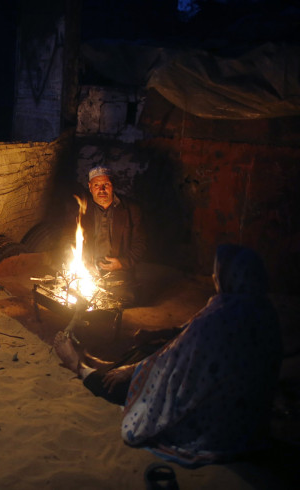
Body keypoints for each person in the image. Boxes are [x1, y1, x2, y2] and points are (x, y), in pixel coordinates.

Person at [54, 244, 283, 467]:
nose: (214, 277)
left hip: (212, 425)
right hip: (250, 425)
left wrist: (131, 370)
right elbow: (186, 334)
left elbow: (170, 358)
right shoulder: (265, 313)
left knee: (125, 381)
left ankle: (78, 365)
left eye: (217, 273)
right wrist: (161, 332)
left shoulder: (218, 320)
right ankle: (107, 365)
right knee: (148, 348)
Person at [81, 165, 146, 306]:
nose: (102, 190)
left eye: (106, 184)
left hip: (118, 271)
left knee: (123, 299)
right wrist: (85, 262)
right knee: (74, 295)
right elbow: (69, 241)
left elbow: (140, 244)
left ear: (113, 186)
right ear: (90, 187)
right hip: (88, 269)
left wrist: (121, 263)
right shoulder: (82, 209)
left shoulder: (131, 209)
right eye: (97, 185)